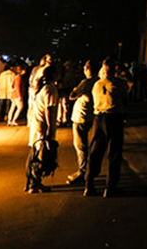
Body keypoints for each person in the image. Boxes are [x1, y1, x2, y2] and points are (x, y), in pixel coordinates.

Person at [85, 58, 128, 197]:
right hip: (114, 118)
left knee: (95, 151)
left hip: (99, 118)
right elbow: (125, 98)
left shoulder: (97, 84)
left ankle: (89, 183)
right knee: (114, 152)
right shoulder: (119, 83)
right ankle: (110, 186)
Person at [25, 62, 59, 194]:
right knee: (40, 156)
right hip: (43, 126)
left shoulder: (40, 88)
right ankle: (35, 183)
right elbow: (49, 110)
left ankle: (29, 182)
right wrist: (50, 129)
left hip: (36, 124)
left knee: (33, 153)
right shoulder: (50, 89)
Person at [65, 61, 96, 186]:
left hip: (81, 117)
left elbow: (72, 95)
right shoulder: (97, 81)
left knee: (81, 146)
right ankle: (89, 170)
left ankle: (82, 173)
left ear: (87, 69)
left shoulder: (86, 82)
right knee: (89, 146)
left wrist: (74, 91)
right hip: (91, 116)